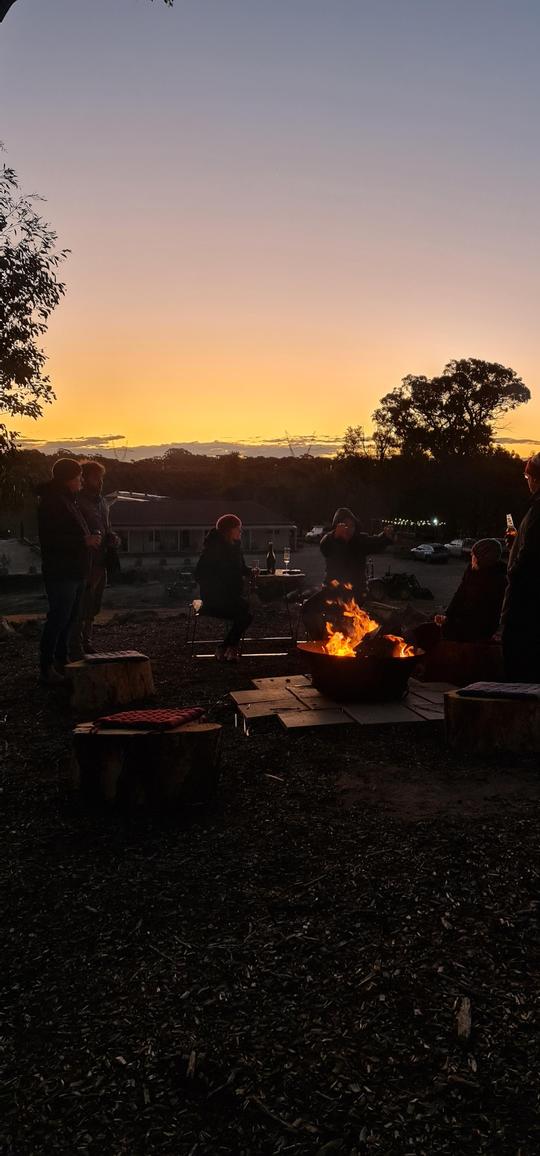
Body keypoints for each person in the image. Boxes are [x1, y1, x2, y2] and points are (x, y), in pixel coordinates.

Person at [37, 458, 102, 685]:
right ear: (68, 479)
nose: (81, 481)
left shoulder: (67, 500)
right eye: (78, 477)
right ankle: (47, 666)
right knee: (59, 618)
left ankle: (61, 662)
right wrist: (84, 540)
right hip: (61, 571)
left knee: (69, 618)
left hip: (74, 570)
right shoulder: (53, 503)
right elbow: (51, 539)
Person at [302, 507, 394, 639]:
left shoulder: (360, 541)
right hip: (332, 593)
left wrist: (385, 537)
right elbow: (324, 547)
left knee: (347, 618)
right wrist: (334, 536)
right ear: (337, 526)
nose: (348, 529)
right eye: (344, 525)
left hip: (355, 594)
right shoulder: (331, 540)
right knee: (307, 609)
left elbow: (375, 542)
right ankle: (320, 641)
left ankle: (349, 642)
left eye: (351, 525)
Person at [413, 538, 507, 652]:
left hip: (475, 630)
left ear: (483, 559)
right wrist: (447, 615)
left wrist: (450, 623)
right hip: (458, 622)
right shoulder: (472, 570)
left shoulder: (497, 581)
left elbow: (481, 617)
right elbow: (460, 594)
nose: (471, 559)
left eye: (474, 556)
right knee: (421, 631)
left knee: (434, 641)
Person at [501, 453, 540, 680]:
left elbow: (532, 553)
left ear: (535, 479)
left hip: (527, 601)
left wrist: (514, 574)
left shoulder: (538, 510)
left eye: (528, 476)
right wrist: (516, 542)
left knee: (518, 661)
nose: (527, 481)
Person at [75, 459, 120, 655]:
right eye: (96, 478)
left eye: (101, 478)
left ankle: (87, 639)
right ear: (84, 479)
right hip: (86, 560)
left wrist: (112, 537)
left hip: (102, 559)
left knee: (94, 603)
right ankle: (76, 643)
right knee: (83, 601)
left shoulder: (102, 502)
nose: (100, 482)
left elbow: (106, 527)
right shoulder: (77, 502)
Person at [194, 514, 253, 660]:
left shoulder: (235, 548)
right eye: (238, 528)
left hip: (231, 597)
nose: (240, 531)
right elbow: (199, 574)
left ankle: (226, 648)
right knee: (245, 614)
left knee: (245, 610)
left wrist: (251, 571)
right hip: (214, 599)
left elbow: (241, 568)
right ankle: (229, 648)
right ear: (229, 530)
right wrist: (217, 586)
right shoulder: (213, 549)